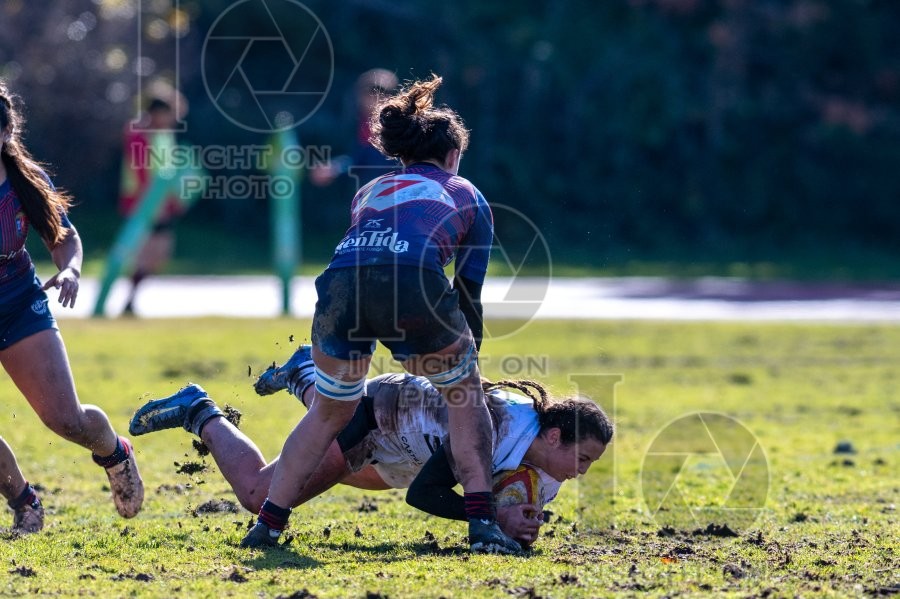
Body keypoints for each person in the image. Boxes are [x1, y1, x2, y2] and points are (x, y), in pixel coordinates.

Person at [241, 74, 508, 553]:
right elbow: (468, 290)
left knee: (329, 411)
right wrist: (468, 364)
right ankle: (483, 525)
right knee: (464, 397)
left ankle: (269, 525)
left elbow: (365, 257)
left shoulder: (369, 191)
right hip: (409, 284)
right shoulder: (465, 190)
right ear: (452, 156)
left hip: (339, 288)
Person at [128, 345, 613, 548]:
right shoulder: (499, 428)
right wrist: (488, 519)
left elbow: (495, 504)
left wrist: (515, 524)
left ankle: (303, 373)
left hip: (413, 443)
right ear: (553, 436)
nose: (583, 471)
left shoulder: (546, 471)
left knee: (352, 476)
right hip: (381, 415)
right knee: (262, 494)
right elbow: (423, 495)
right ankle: (199, 410)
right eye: (583, 457)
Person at [0, 81, 144, 533]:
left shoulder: (25, 182)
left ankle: (114, 451)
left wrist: (71, 271)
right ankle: (25, 503)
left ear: (5, 134)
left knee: (65, 418)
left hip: (19, 305)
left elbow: (65, 239)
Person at [117, 90, 187, 316]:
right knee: (142, 255)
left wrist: (174, 200)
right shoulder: (138, 133)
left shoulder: (164, 134)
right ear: (156, 113)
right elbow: (141, 171)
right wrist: (152, 203)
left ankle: (131, 297)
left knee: (160, 255)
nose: (173, 118)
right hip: (141, 203)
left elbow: (168, 171)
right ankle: (129, 300)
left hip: (162, 203)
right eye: (168, 113)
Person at [308, 68, 400, 187]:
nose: (376, 100)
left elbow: (371, 159)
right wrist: (334, 168)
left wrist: (337, 168)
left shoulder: (397, 126)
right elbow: (358, 157)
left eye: (382, 93)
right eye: (370, 94)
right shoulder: (356, 124)